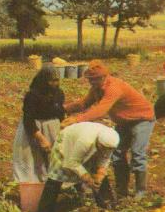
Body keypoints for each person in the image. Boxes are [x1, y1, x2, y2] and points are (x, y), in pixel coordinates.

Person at [62, 60, 155, 199]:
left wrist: (76, 119)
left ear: (103, 77)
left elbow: (100, 110)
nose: (90, 83)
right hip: (123, 121)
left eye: (93, 80)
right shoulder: (96, 88)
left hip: (141, 119)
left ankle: (140, 192)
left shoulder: (114, 87)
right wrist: (61, 109)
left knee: (137, 154)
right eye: (89, 79)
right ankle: (121, 190)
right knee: (117, 154)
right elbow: (83, 103)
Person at [37, 122, 119, 212]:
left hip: (87, 148)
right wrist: (87, 178)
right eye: (104, 149)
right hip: (67, 143)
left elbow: (104, 160)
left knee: (98, 178)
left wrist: (99, 177)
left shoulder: (110, 142)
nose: (106, 151)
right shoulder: (86, 141)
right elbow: (73, 162)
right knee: (56, 177)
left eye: (109, 150)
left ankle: (106, 205)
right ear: (99, 143)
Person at [12, 68, 65, 184]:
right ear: (44, 80)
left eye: (57, 80)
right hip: (33, 129)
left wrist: (62, 128)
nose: (55, 84)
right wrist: (40, 138)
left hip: (52, 127)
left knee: (52, 158)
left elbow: (61, 113)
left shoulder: (59, 93)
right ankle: (30, 186)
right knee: (29, 157)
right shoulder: (32, 95)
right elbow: (28, 119)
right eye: (52, 81)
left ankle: (51, 185)